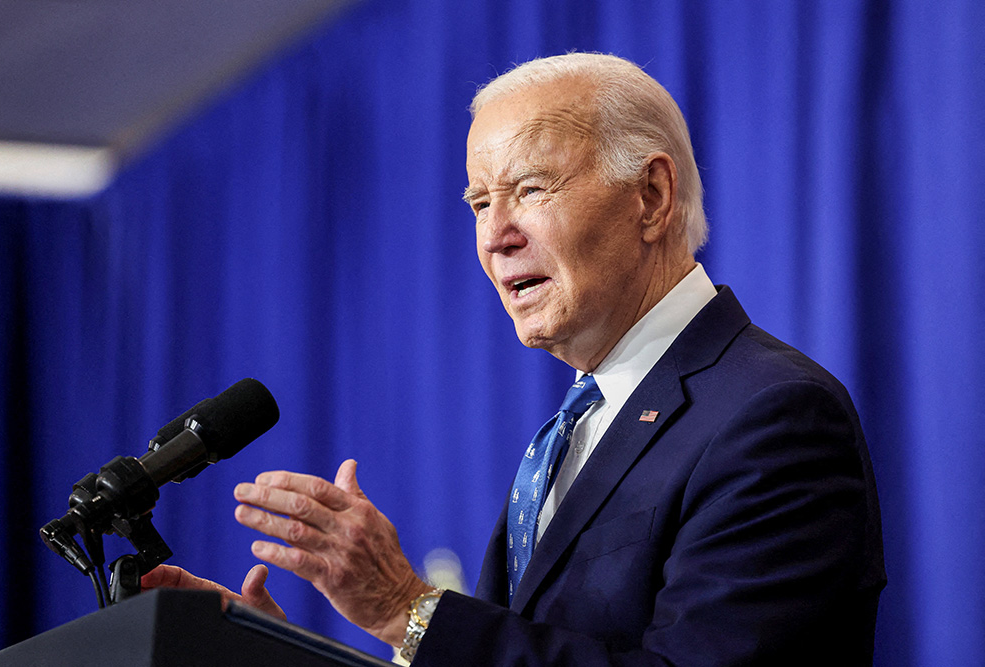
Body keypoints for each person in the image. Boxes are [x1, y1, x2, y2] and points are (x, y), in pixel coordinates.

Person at [142, 53, 885, 665]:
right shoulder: (579, 424)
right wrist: (280, 656)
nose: (495, 235)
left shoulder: (771, 413)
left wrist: (410, 610)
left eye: (530, 189)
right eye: (477, 203)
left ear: (652, 197)